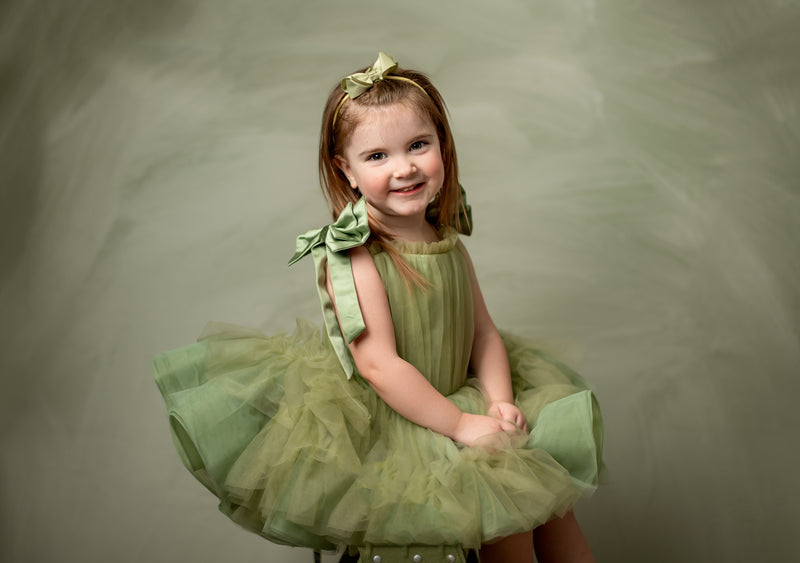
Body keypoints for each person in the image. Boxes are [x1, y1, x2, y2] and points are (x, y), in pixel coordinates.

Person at [153, 52, 604, 563]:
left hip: (467, 398)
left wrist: (499, 405)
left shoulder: (449, 241)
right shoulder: (356, 256)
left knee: (548, 507)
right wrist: (460, 425)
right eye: (377, 156)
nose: (405, 167)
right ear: (344, 170)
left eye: (418, 145)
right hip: (406, 417)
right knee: (508, 520)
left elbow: (483, 335)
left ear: (442, 145)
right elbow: (379, 365)